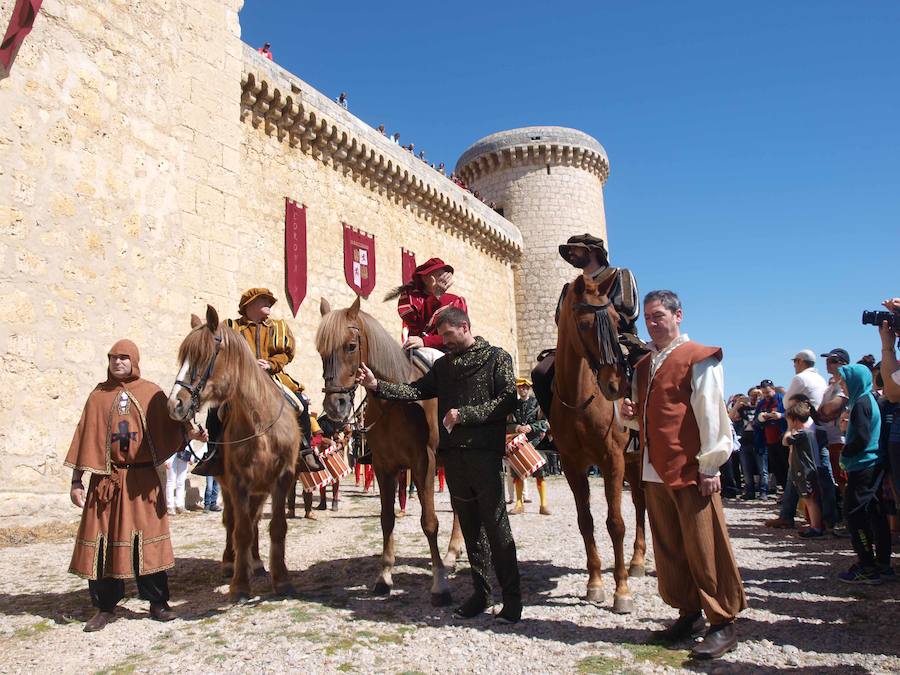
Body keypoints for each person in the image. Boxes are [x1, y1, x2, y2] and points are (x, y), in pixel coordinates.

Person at [355, 307, 521, 623]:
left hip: (484, 455)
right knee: (470, 528)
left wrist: (465, 415)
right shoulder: (443, 367)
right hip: (454, 457)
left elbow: (508, 400)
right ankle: (481, 594)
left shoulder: (497, 358)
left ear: (465, 327)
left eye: (447, 335)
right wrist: (377, 386)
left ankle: (512, 600)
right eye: (441, 336)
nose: (444, 341)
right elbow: (414, 391)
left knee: (497, 528)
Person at [621, 290, 745, 660]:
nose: (652, 323)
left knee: (704, 547)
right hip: (654, 469)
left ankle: (722, 622)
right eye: (648, 317)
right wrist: (629, 414)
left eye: (658, 315)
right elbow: (645, 419)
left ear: (678, 315)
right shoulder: (644, 365)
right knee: (669, 548)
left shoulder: (698, 356)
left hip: (691, 469)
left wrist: (710, 465)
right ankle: (688, 613)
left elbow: (710, 412)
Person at [65, 340, 207, 632]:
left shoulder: (151, 393)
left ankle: (158, 603)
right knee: (103, 543)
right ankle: (105, 607)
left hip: (142, 482)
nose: (118, 362)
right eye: (113, 358)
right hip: (106, 482)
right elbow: (84, 438)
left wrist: (191, 434)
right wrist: (77, 480)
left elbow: (172, 427)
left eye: (124, 357)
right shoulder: (98, 396)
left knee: (147, 543)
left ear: (134, 360)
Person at [532, 233, 642, 421]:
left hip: (617, 338)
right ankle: (553, 423)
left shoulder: (620, 275)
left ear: (591, 251)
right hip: (579, 342)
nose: (570, 254)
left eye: (574, 249)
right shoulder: (570, 288)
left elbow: (629, 311)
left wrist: (598, 325)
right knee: (540, 373)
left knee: (642, 365)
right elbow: (560, 319)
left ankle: (639, 424)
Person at [836, 363, 889, 583]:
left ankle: (867, 566)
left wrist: (845, 454)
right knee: (875, 512)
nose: (841, 385)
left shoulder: (860, 404)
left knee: (854, 514)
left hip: (863, 464)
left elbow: (861, 438)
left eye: (843, 381)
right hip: (873, 463)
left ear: (854, 381)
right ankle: (882, 563)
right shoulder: (868, 400)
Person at [386, 257, 468, 365]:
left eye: (444, 275)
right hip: (415, 349)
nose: (443, 279)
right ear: (425, 279)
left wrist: (426, 342)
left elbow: (458, 335)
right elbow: (418, 327)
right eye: (439, 275)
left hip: (447, 352)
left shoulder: (455, 301)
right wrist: (435, 297)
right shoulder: (411, 298)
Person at [507, 377, 550, 515]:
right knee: (517, 473)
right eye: (520, 387)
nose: (523, 389)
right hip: (519, 443)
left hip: (535, 443)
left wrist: (532, 427)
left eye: (525, 387)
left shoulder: (537, 403)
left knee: (540, 473)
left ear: (529, 388)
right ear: (518, 389)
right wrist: (518, 427)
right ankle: (519, 504)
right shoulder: (513, 405)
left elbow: (544, 422)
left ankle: (543, 505)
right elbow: (507, 424)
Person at [783, 400, 826, 537]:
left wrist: (789, 428)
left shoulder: (802, 433)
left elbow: (785, 441)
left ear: (795, 420)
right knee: (809, 499)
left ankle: (816, 527)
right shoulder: (809, 432)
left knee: (809, 499)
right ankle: (815, 524)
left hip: (805, 471)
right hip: (807, 470)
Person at [729, 388, 767, 500]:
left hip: (759, 441)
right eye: (752, 395)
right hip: (745, 442)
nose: (754, 397)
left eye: (756, 395)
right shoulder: (743, 409)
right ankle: (750, 492)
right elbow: (731, 418)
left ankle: (763, 492)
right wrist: (737, 404)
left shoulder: (763, 407)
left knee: (762, 469)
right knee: (746, 470)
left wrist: (761, 398)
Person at [755, 379, 787, 504]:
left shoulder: (782, 400)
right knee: (777, 469)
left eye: (768, 392)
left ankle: (792, 495)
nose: (766, 395)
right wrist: (761, 419)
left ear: (773, 389)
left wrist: (780, 416)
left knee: (787, 467)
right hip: (768, 441)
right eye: (763, 393)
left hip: (783, 439)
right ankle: (786, 492)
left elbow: (792, 413)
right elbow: (756, 421)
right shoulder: (762, 404)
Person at [164, 444, 192, 515]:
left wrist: (191, 455)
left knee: (181, 482)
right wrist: (166, 459)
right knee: (171, 481)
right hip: (171, 453)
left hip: (184, 452)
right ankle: (170, 506)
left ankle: (179, 505)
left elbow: (189, 440)